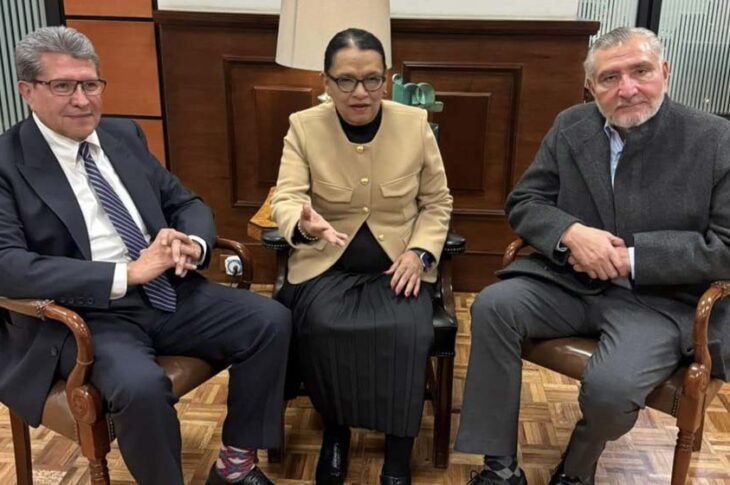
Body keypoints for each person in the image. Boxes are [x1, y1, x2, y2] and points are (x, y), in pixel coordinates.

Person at [0, 26, 292, 485]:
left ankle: (234, 468)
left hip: (168, 290)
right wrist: (126, 273)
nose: (82, 99)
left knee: (270, 320)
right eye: (63, 86)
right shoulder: (6, 163)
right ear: (28, 92)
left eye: (90, 84)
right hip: (87, 317)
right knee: (141, 387)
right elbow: (7, 265)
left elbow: (186, 203)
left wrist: (192, 244)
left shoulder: (121, 135)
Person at [456, 26, 730, 485]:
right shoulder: (571, 125)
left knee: (612, 389)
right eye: (609, 78)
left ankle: (578, 466)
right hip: (569, 281)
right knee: (493, 307)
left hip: (659, 302)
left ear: (664, 72)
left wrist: (632, 259)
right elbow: (525, 202)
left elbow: (725, 247)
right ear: (591, 87)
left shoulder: (716, 139)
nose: (627, 89)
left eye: (640, 71)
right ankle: (499, 469)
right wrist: (570, 231)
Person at [270, 28, 452, 485]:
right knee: (322, 327)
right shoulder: (304, 126)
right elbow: (286, 198)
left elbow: (438, 202)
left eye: (372, 79)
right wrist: (302, 224)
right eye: (346, 81)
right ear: (326, 83)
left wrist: (420, 252)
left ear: (386, 79)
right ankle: (336, 431)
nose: (360, 92)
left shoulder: (413, 124)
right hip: (327, 267)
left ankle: (396, 454)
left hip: (398, 267)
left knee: (404, 332)